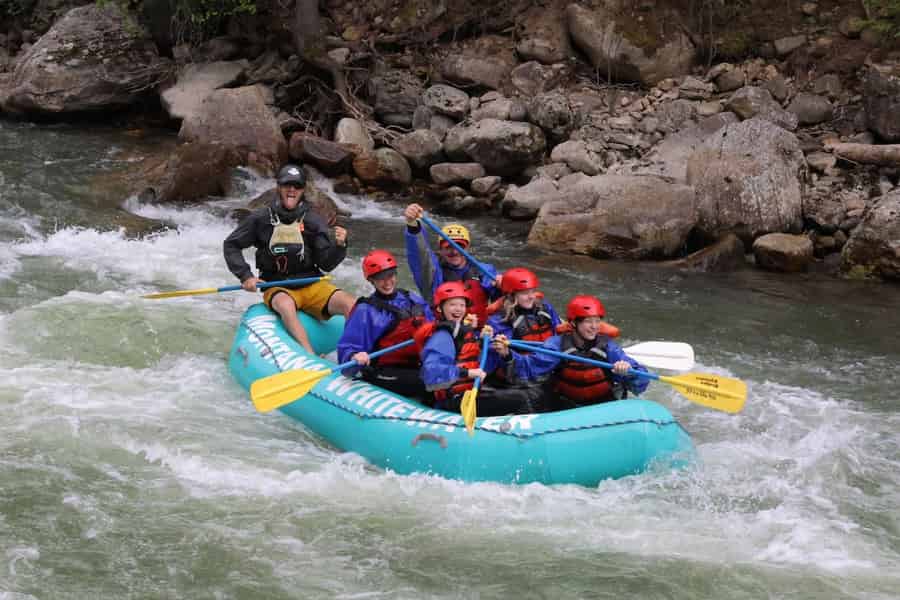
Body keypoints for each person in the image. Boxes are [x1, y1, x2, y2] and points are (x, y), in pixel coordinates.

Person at [223, 163, 355, 354]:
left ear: (303, 190)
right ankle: (310, 355)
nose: (292, 189)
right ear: (279, 187)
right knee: (285, 305)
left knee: (350, 303)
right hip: (277, 286)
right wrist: (246, 276)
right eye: (287, 185)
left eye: (297, 186)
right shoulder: (260, 219)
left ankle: (354, 354)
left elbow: (326, 263)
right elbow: (231, 245)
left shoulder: (313, 221)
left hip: (311, 283)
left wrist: (340, 246)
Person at [492, 294, 648, 410]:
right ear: (573, 323)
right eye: (588, 321)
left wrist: (628, 371)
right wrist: (508, 354)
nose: (594, 326)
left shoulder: (608, 347)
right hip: (568, 408)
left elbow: (641, 382)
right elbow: (529, 368)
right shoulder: (557, 345)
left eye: (597, 321)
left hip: (604, 408)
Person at [416, 281, 543, 416]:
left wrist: (483, 342)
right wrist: (468, 373)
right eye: (452, 305)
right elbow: (431, 373)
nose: (458, 309)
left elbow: (473, 360)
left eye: (462, 305)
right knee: (522, 399)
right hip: (452, 400)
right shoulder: (442, 337)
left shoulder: (464, 332)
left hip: (470, 392)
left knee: (528, 393)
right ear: (440, 308)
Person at [337, 250, 433, 398]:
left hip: (416, 364)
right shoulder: (365, 310)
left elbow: (433, 326)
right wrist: (354, 356)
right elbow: (347, 349)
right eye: (380, 278)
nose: (387, 282)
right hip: (383, 371)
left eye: (390, 276)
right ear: (371, 280)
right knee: (430, 382)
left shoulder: (411, 298)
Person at [403, 202, 501, 325]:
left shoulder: (483, 270)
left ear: (468, 248)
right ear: (440, 249)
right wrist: (413, 226)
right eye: (448, 247)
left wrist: (502, 284)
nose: (454, 251)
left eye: (460, 246)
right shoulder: (432, 273)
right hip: (444, 333)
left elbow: (501, 298)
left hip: (477, 333)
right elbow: (419, 254)